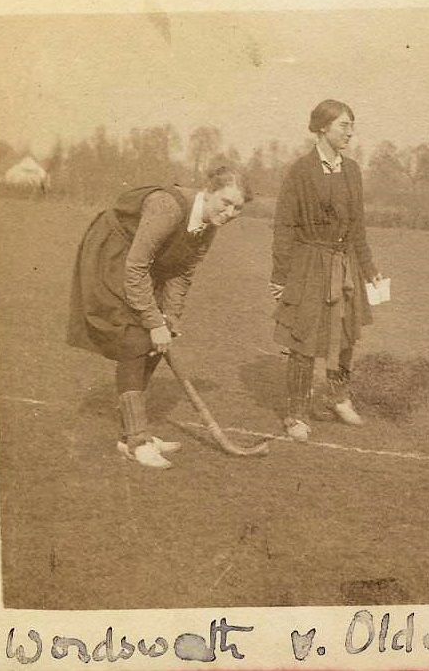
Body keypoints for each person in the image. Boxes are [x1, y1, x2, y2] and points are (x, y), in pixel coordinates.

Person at [67, 165, 250, 468]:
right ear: (208, 192)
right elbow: (135, 266)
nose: (230, 212)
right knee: (136, 337)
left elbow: (183, 272)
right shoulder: (168, 207)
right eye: (225, 202)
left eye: (238, 208)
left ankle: (131, 434)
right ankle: (136, 440)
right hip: (113, 254)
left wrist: (170, 318)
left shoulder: (209, 224)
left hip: (143, 263)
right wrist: (153, 321)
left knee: (156, 339)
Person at [269, 99, 382, 442]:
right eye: (343, 125)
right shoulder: (300, 171)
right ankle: (296, 414)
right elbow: (284, 226)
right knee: (304, 339)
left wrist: (369, 268)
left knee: (345, 336)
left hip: (344, 265)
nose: (350, 132)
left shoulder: (352, 171)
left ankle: (338, 397)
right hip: (308, 265)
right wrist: (280, 276)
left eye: (352, 125)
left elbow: (357, 227)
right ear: (322, 128)